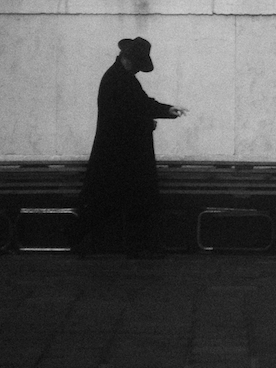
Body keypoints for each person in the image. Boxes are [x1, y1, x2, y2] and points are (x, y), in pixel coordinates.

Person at [68, 37, 187, 258]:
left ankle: (106, 245)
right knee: (130, 199)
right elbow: (129, 113)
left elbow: (136, 107)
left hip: (117, 155)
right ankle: (132, 246)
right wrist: (150, 121)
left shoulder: (118, 77)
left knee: (109, 199)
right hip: (123, 155)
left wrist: (166, 110)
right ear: (129, 59)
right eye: (137, 64)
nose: (138, 69)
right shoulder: (119, 80)